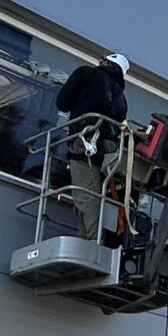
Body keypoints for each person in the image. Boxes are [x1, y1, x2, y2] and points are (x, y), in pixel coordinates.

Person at [55, 49, 129, 241]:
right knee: (89, 188)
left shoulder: (86, 73)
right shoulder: (121, 98)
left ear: (106, 62)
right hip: (106, 149)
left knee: (86, 193)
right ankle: (85, 239)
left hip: (86, 141)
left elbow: (62, 102)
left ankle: (92, 242)